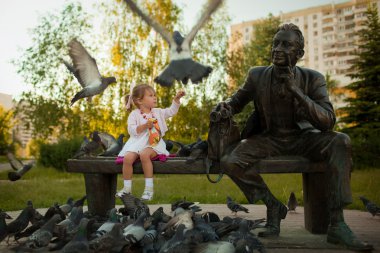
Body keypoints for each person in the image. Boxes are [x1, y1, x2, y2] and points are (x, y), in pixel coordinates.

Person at [213, 23, 372, 250]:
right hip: (269, 138)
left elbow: (327, 120)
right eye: (276, 43)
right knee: (230, 160)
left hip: (305, 139)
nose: (277, 48)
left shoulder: (313, 78)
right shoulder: (257, 75)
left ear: (299, 54)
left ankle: (337, 224)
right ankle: (273, 205)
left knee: (341, 141)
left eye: (286, 45)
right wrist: (224, 107)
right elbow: (235, 101)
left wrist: (296, 90)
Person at [116, 84, 185, 200]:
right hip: (137, 142)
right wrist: (144, 126)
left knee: (144, 154)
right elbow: (132, 130)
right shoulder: (134, 114)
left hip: (154, 143)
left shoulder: (158, 112)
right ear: (139, 100)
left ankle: (148, 189)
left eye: (155, 95)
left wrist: (176, 99)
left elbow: (171, 111)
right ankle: (126, 188)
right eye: (151, 95)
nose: (155, 97)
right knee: (127, 158)